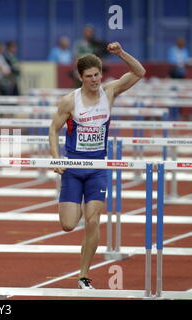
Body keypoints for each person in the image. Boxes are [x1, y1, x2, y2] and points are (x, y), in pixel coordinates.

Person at [49, 42, 145, 289]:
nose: (94, 80)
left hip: (98, 167)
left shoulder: (109, 92)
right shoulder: (70, 101)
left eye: (97, 75)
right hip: (73, 166)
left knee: (93, 220)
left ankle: (83, 275)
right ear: (80, 77)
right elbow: (53, 128)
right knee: (68, 224)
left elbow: (139, 73)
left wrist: (121, 53)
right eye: (89, 76)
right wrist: (55, 157)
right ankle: (77, 204)